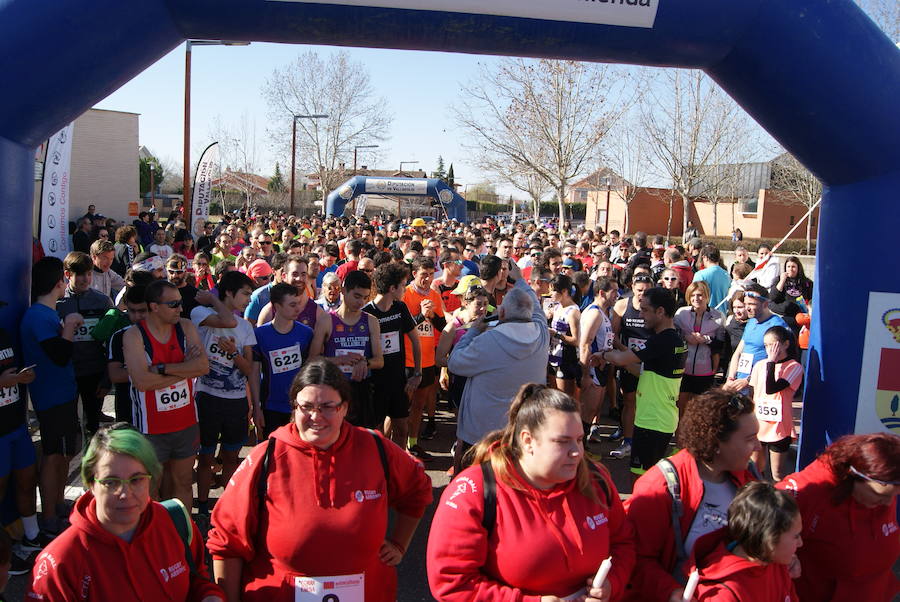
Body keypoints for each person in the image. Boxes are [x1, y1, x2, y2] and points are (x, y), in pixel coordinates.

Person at [206, 359, 433, 602]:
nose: (316, 417)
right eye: (306, 407)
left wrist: (399, 543)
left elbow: (418, 489)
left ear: (344, 408)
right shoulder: (266, 456)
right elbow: (227, 540)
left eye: (327, 407)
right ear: (294, 407)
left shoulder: (375, 448)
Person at [427, 384, 635, 600]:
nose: (577, 452)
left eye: (579, 440)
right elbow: (451, 581)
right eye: (562, 442)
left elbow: (623, 543)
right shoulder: (476, 490)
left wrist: (612, 584)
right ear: (527, 441)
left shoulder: (595, 479)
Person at [27, 424, 224, 601]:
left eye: (137, 479)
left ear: (151, 479)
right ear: (90, 484)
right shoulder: (60, 563)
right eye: (111, 482)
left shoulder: (175, 521)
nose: (124, 493)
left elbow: (197, 579)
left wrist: (210, 596)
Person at [623, 389, 760, 602]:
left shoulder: (748, 476)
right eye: (750, 439)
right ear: (716, 442)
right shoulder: (660, 486)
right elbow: (634, 558)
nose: (758, 446)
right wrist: (671, 592)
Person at [776, 433, 900, 601]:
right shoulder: (810, 490)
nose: (887, 503)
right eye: (879, 496)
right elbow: (757, 522)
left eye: (893, 497)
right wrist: (783, 556)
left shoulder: (884, 486)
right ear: (853, 475)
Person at [123, 279, 209, 511]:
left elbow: (203, 367)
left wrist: (164, 369)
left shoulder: (186, 327)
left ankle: (183, 536)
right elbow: (142, 382)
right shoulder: (134, 335)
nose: (180, 309)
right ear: (154, 306)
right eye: (173, 304)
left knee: (182, 483)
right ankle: (154, 540)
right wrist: (185, 369)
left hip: (186, 423)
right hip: (151, 430)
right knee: (151, 490)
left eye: (180, 303)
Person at [450, 276, 550, 469]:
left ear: (501, 312)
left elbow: (455, 363)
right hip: (523, 431)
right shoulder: (541, 333)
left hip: (483, 435)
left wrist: (473, 331)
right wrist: (519, 278)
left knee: (481, 489)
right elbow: (537, 311)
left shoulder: (487, 341)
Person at [21, 257, 82, 534]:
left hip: (62, 393)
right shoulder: (37, 315)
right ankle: (48, 517)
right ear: (61, 281)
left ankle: (57, 506)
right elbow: (58, 355)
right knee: (53, 455)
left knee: (63, 454)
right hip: (51, 396)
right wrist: (69, 326)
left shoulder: (45, 312)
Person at [601, 287, 687, 477]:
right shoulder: (672, 339)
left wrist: (602, 354)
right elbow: (644, 372)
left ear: (661, 311)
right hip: (657, 418)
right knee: (647, 478)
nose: (641, 315)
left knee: (644, 481)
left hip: (653, 421)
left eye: (645, 310)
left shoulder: (662, 341)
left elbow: (622, 359)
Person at [190, 272, 257, 516]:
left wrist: (233, 353)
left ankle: (226, 506)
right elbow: (227, 321)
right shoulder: (202, 314)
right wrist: (212, 298)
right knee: (205, 457)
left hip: (236, 402)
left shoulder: (246, 326)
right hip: (207, 398)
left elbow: (249, 369)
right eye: (245, 294)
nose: (249, 300)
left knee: (230, 456)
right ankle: (204, 506)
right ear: (228, 293)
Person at [687, 481, 801, 601]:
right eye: (796, 536)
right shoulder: (723, 594)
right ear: (769, 540)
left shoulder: (775, 563)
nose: (800, 543)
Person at [310, 270, 385, 428]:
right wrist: (338, 360)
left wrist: (365, 363)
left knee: (361, 442)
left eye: (365, 298)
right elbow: (312, 360)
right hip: (333, 389)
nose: (361, 302)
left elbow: (379, 361)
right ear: (343, 291)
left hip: (360, 390)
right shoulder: (326, 320)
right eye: (357, 296)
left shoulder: (371, 321)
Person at [0, 319, 42, 575]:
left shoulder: (3, 334)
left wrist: (22, 376)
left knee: (27, 480)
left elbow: (10, 373)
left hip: (16, 425)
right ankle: (3, 554)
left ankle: (32, 537)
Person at [56, 251, 114, 435]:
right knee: (69, 425)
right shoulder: (58, 303)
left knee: (93, 424)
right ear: (68, 275)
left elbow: (112, 342)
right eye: (80, 274)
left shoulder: (103, 301)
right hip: (67, 372)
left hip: (94, 372)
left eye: (89, 273)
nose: (86, 278)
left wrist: (107, 378)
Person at [364, 262, 421, 448]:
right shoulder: (367, 313)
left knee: (402, 428)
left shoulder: (400, 308)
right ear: (392, 287)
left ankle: (398, 466)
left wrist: (417, 374)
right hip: (375, 382)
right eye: (403, 285)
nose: (405, 289)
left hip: (398, 380)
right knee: (377, 433)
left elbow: (415, 340)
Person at [251, 283, 315, 436]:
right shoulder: (259, 335)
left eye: (298, 304)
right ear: (277, 306)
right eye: (292, 305)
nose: (298, 309)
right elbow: (253, 374)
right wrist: (256, 408)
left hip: (299, 406)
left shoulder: (306, 333)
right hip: (270, 407)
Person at [402, 258, 446, 458]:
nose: (428, 279)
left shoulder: (435, 296)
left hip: (427, 359)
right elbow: (401, 327)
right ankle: (395, 446)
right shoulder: (405, 294)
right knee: (401, 408)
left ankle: (413, 443)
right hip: (408, 360)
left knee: (419, 406)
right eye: (423, 274)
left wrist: (431, 315)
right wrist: (420, 315)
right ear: (414, 275)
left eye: (430, 274)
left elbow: (441, 326)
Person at [608, 273, 655, 458]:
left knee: (649, 402)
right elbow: (613, 335)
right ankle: (628, 441)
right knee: (629, 401)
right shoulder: (622, 305)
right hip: (629, 360)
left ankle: (645, 440)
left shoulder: (655, 308)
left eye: (646, 291)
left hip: (650, 361)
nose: (642, 294)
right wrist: (626, 352)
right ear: (632, 289)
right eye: (639, 290)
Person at [747, 326, 802, 481]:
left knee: (777, 474)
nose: (769, 349)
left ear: (785, 344)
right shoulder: (759, 365)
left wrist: (772, 361)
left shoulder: (794, 367)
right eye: (766, 346)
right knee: (755, 470)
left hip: (779, 427)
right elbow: (754, 392)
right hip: (759, 424)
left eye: (773, 345)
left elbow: (772, 388)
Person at [724, 284, 789, 394]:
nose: (747, 308)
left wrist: (748, 380)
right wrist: (730, 378)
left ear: (765, 304)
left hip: (758, 386)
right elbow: (738, 352)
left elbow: (775, 361)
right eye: (745, 304)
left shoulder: (776, 325)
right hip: (739, 383)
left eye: (751, 304)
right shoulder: (752, 321)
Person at [673, 281, 725, 415]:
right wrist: (685, 337)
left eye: (700, 295)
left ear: (707, 296)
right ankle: (679, 436)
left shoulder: (718, 317)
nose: (696, 299)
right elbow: (672, 335)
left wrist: (705, 340)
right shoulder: (681, 314)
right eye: (693, 295)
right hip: (683, 369)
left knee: (700, 410)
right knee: (680, 409)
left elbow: (720, 344)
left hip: (705, 371)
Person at [579, 276, 619, 444]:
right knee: (588, 411)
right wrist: (586, 374)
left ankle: (583, 450)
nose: (617, 295)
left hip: (602, 366)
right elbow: (585, 344)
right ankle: (581, 450)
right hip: (593, 368)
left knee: (594, 409)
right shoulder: (594, 313)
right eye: (614, 291)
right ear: (602, 293)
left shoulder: (603, 313)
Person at [106, 285, 148, 425]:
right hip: (127, 409)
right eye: (132, 311)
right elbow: (116, 375)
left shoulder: (167, 334)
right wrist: (159, 371)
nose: (136, 317)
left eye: (142, 311)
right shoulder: (119, 336)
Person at [548, 273, 581, 397]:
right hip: (553, 355)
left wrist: (556, 334)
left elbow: (576, 340)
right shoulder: (557, 307)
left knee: (563, 398)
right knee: (553, 395)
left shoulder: (573, 312)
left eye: (553, 291)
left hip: (567, 359)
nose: (551, 294)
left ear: (564, 291)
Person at [691, 245, 730, 312]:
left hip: (705, 314)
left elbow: (693, 294)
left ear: (705, 258)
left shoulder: (700, 275)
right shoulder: (727, 275)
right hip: (722, 314)